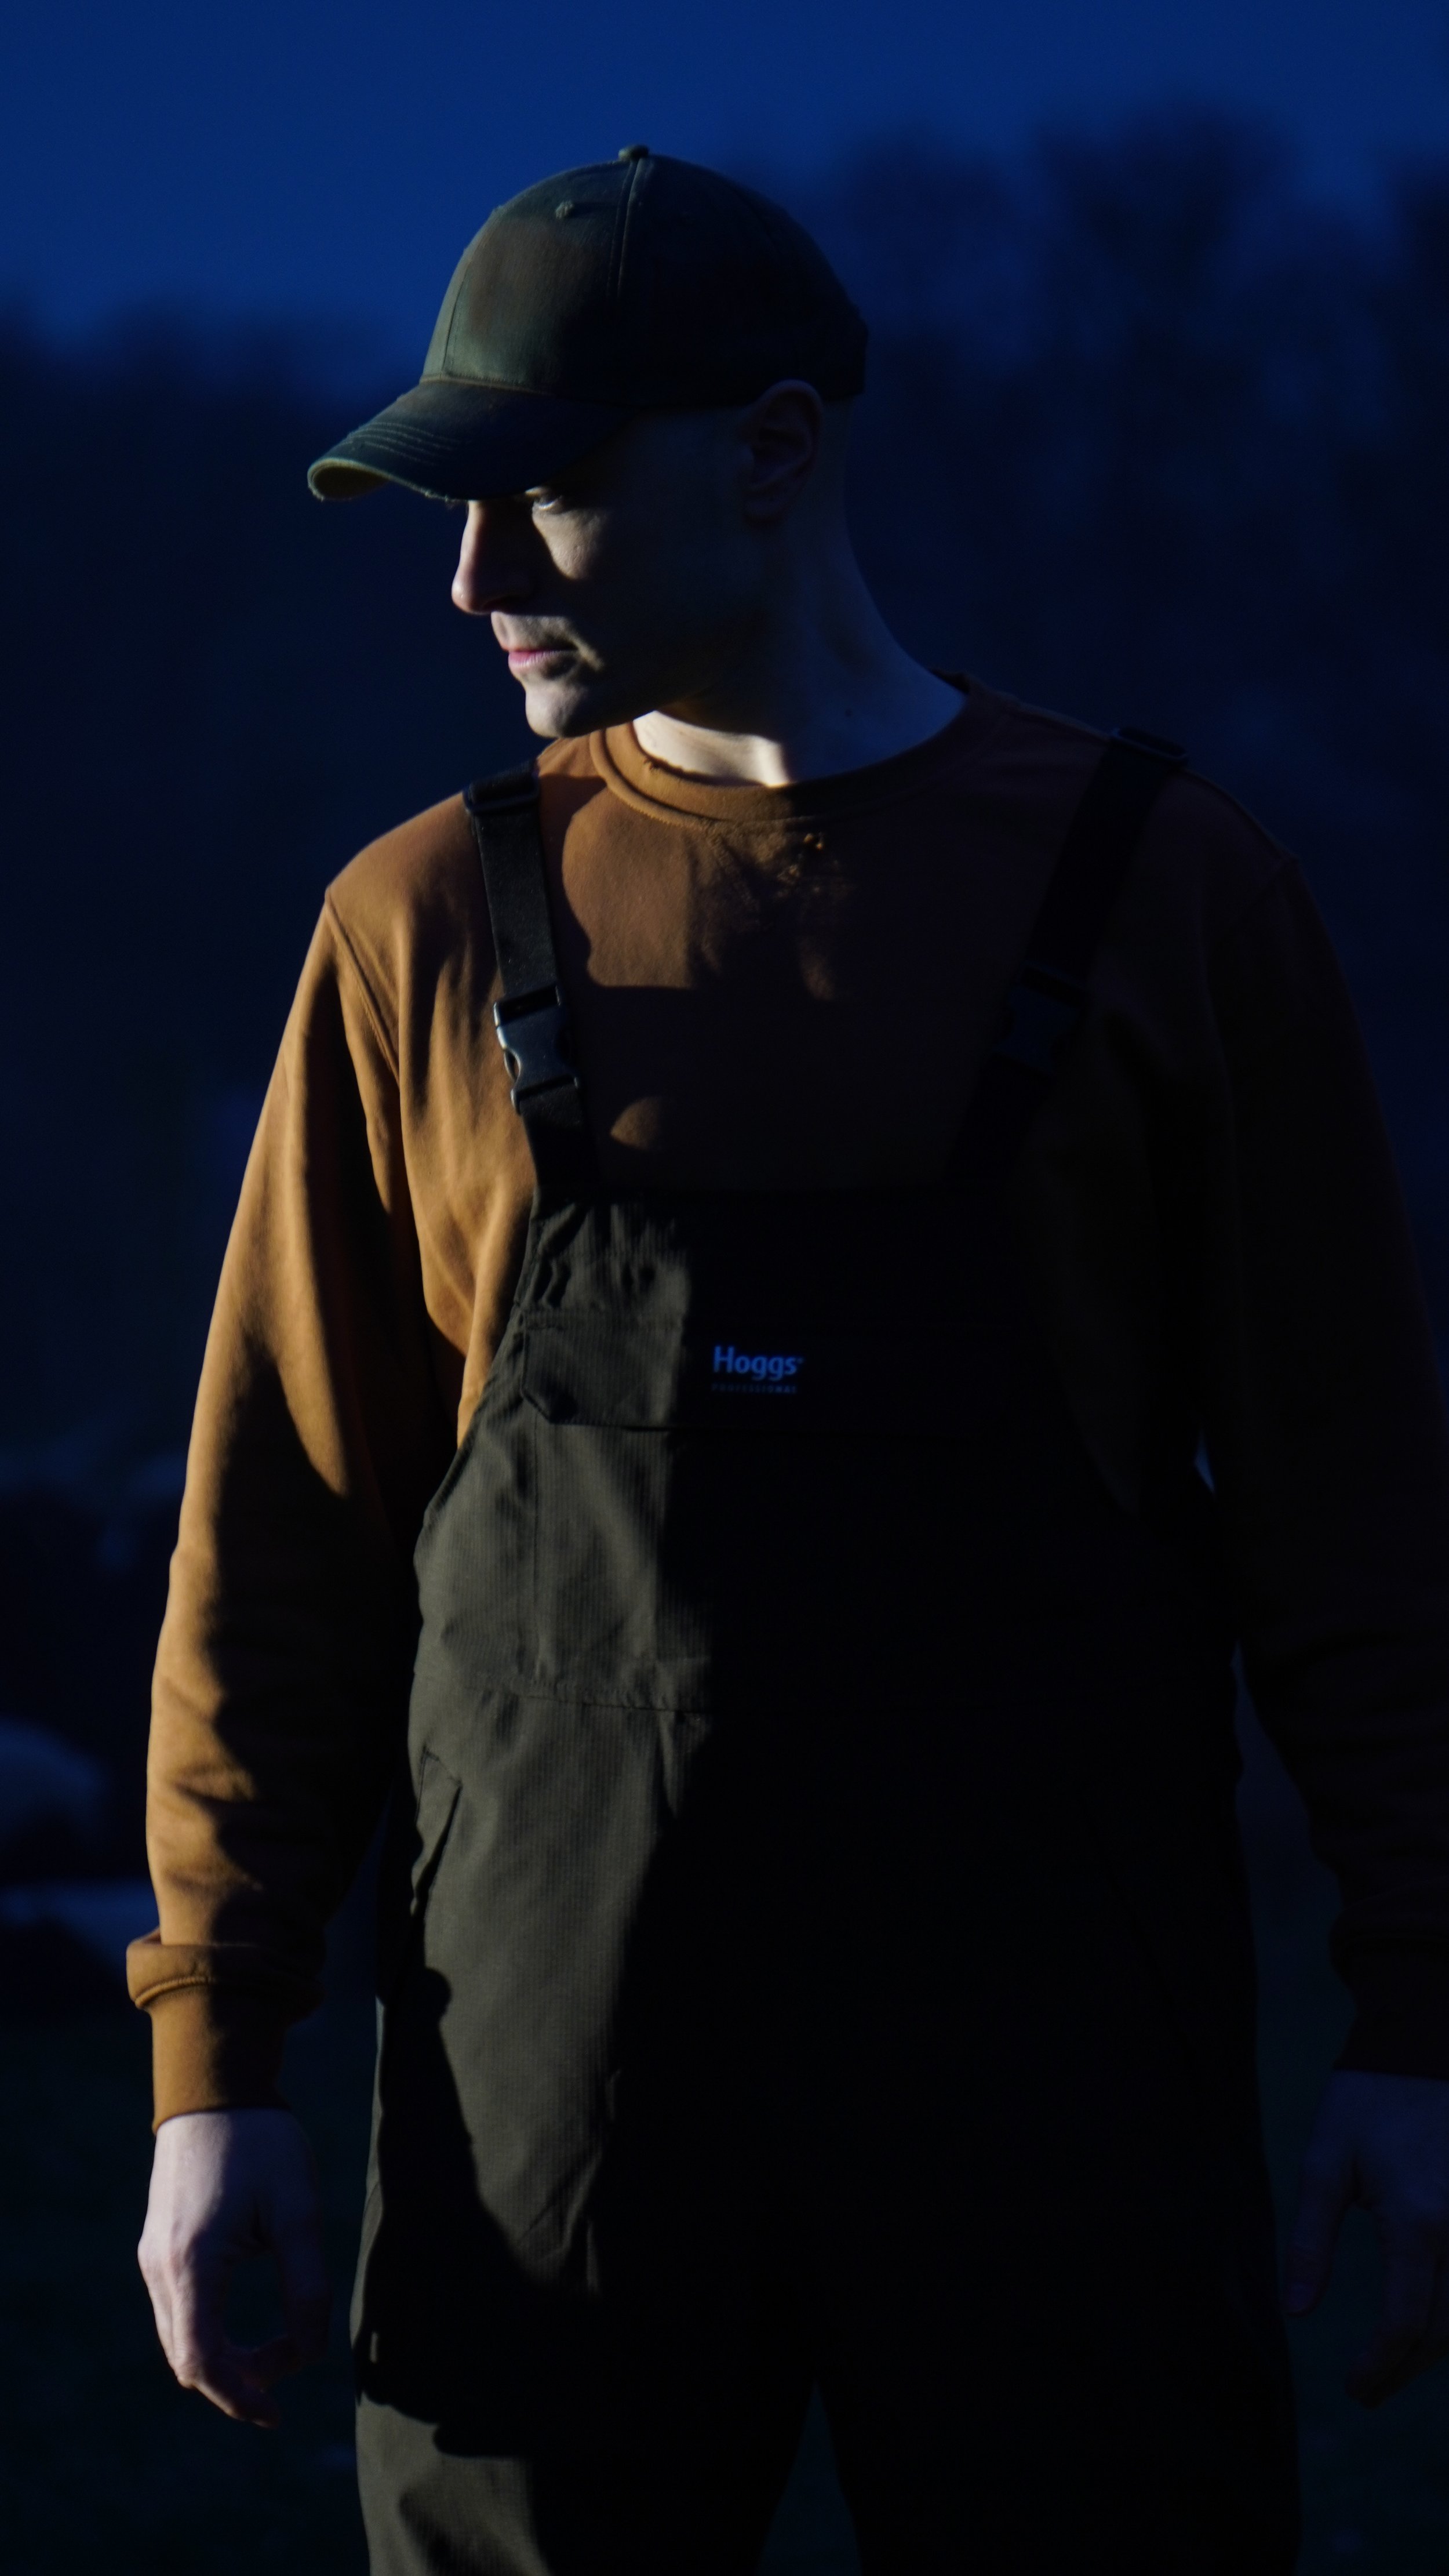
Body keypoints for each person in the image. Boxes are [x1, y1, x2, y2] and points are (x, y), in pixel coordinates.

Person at [133, 147, 1449, 2574]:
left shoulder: (1166, 890)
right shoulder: (420, 925)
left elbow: (1353, 1509)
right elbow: (283, 1531)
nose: (475, 580)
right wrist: (212, 2063)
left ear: (770, 448)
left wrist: (1413, 2020)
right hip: (554, 2121)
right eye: (451, 515)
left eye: (537, 498)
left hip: (1058, 2093)